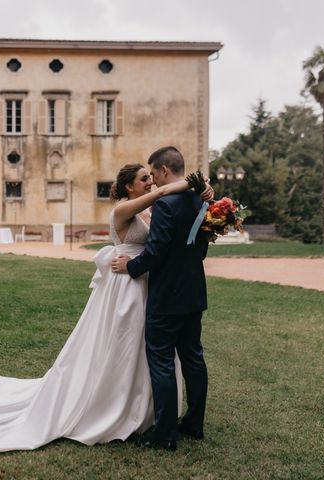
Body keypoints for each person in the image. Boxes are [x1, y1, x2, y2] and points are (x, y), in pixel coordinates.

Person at [0, 160, 212, 453]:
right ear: (129, 186)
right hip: (124, 285)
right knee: (121, 345)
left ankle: (141, 408)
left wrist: (203, 187)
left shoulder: (145, 210)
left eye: (151, 178)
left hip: (141, 283)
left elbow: (162, 232)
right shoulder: (122, 210)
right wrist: (192, 182)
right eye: (144, 179)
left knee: (142, 351)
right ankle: (111, 404)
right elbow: (159, 196)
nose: (150, 183)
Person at [112, 146, 210, 452]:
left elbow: (155, 252)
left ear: (165, 171)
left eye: (154, 174)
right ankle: (193, 423)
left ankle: (166, 434)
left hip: (167, 295)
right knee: (193, 358)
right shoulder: (201, 199)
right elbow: (202, 246)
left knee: (162, 361)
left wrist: (131, 266)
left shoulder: (166, 204)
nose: (153, 180)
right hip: (194, 291)